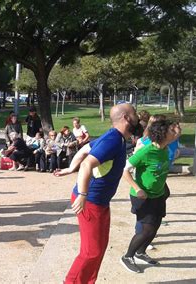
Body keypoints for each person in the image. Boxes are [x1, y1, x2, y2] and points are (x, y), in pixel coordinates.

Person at [54, 103, 141, 283]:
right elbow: (87, 164)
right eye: (134, 113)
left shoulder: (115, 136)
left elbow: (86, 149)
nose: (137, 116)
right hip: (90, 201)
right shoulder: (113, 139)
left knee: (98, 248)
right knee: (91, 251)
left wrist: (71, 168)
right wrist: (83, 194)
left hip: (99, 202)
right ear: (126, 118)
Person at [120, 120, 178, 273]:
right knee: (146, 230)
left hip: (158, 196)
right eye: (171, 130)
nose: (175, 131)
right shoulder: (146, 151)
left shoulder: (164, 149)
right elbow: (125, 170)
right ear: (162, 134)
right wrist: (137, 188)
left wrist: (164, 190)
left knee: (155, 228)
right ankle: (128, 256)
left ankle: (140, 252)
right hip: (142, 197)